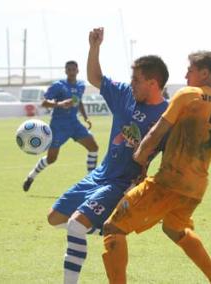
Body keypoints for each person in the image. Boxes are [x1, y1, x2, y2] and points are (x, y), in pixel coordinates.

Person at [46, 27, 169, 284]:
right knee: (54, 218)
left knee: (75, 226)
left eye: (137, 80)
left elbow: (171, 161)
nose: (131, 83)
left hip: (122, 182)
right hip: (100, 175)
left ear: (153, 83)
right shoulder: (125, 94)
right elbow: (96, 77)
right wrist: (94, 47)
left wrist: (145, 189)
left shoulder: (167, 117)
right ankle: (108, 225)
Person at [101, 51, 211, 284]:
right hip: (196, 188)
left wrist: (139, 158)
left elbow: (158, 129)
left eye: (190, 70)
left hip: (169, 182)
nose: (185, 75)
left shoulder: (190, 94)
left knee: (113, 227)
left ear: (204, 73)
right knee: (174, 229)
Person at [22, 60, 99, 191]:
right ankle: (31, 176)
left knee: (93, 147)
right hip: (58, 126)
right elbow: (44, 103)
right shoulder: (58, 85)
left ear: (77, 70)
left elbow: (78, 101)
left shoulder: (81, 85)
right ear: (65, 71)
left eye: (73, 69)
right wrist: (60, 104)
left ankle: (91, 181)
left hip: (74, 124)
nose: (71, 72)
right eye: (69, 69)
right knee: (52, 159)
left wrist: (85, 117)